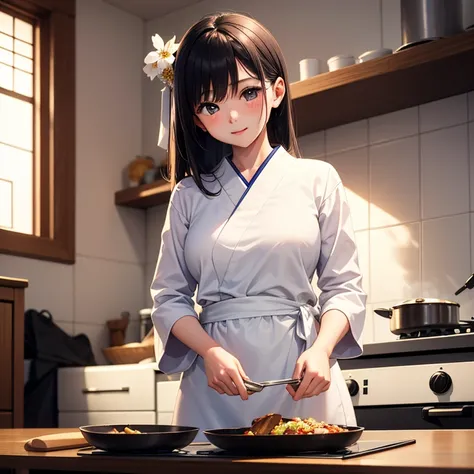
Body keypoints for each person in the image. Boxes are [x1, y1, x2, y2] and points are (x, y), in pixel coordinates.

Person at [150, 11, 366, 439]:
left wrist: (323, 350)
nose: (232, 117)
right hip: (214, 382)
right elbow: (169, 298)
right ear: (195, 116)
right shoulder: (189, 196)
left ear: (277, 90)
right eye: (211, 105)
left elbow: (345, 287)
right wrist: (209, 352)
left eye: (247, 93)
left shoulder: (318, 180)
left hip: (302, 374)